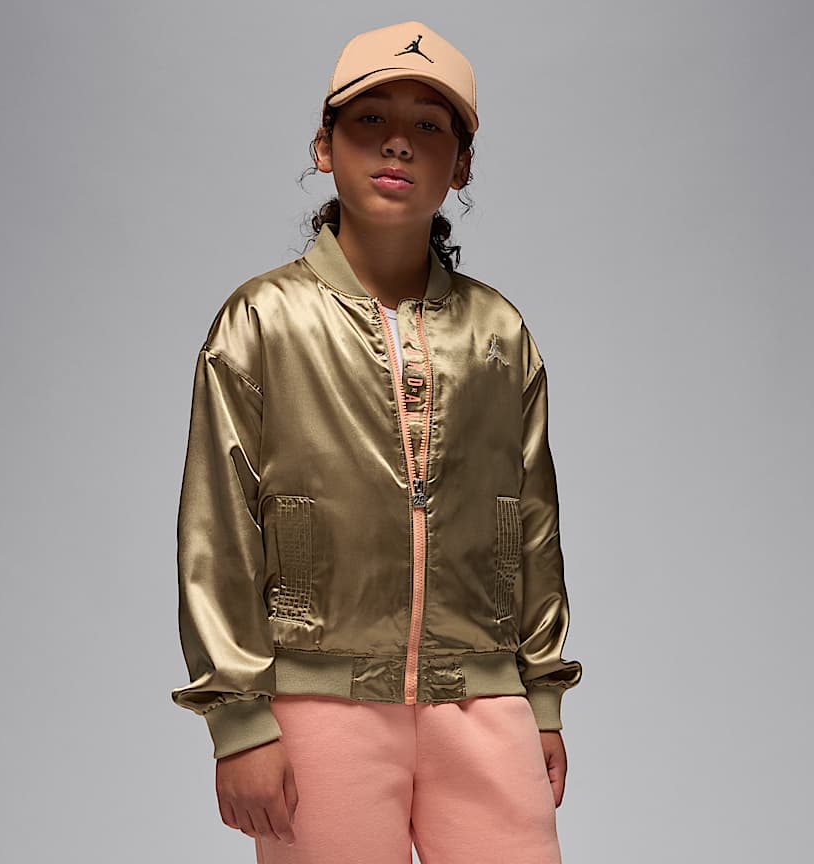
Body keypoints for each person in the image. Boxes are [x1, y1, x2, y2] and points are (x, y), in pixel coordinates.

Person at [171, 19, 583, 864]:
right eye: (369, 119)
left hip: (484, 702)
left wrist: (541, 697)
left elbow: (533, 522)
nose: (398, 141)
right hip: (319, 709)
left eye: (430, 125)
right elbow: (217, 528)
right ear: (324, 147)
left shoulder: (499, 332)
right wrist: (239, 718)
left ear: (461, 165)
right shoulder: (262, 321)